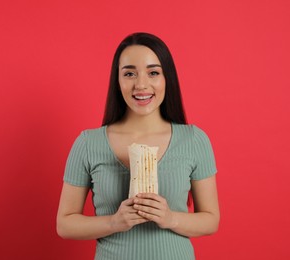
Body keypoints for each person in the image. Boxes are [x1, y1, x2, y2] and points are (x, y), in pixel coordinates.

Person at [56, 32, 220, 260]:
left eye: (153, 72)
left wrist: (170, 218)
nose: (141, 84)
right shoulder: (88, 143)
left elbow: (211, 219)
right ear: (118, 80)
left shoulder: (193, 140)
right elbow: (65, 224)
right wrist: (114, 222)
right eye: (130, 73)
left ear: (167, 79)